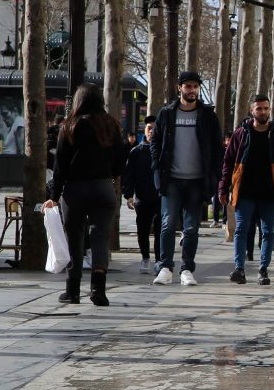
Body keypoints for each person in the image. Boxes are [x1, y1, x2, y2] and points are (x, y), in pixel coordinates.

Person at [43, 83, 125, 306]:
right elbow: (120, 162)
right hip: (103, 188)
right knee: (100, 237)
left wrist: (54, 195)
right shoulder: (111, 125)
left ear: (78, 101)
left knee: (74, 238)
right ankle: (98, 288)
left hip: (75, 189)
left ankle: (72, 290)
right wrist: (108, 174)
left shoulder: (69, 126)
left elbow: (60, 167)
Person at [150, 71, 223, 286]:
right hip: (171, 179)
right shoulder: (166, 114)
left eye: (195, 86)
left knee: (191, 227)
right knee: (167, 224)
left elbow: (217, 147)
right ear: (179, 88)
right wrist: (156, 168)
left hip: (197, 181)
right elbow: (155, 143)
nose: (192, 90)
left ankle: (187, 269)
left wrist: (214, 175)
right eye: (188, 86)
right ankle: (165, 267)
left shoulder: (208, 116)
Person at [218, 95, 274, 286]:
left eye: (266, 108)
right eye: (259, 108)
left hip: (270, 192)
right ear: (252, 111)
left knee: (267, 232)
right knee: (241, 230)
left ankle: (263, 270)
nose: (263, 112)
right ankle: (239, 269)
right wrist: (223, 188)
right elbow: (228, 162)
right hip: (245, 191)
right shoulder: (241, 133)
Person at [123, 116, 160, 273]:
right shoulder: (136, 152)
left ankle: (159, 260)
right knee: (142, 230)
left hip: (160, 197)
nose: (151, 131)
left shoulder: (164, 150)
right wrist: (129, 195)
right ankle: (145, 257)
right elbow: (129, 175)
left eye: (154, 128)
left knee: (160, 230)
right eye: (149, 128)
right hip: (142, 198)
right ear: (144, 131)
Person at [212, 131, 232, 227]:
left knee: (226, 198)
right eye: (228, 140)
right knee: (217, 197)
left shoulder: (233, 150)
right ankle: (215, 219)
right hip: (219, 176)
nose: (229, 142)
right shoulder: (221, 151)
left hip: (228, 177)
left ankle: (225, 220)